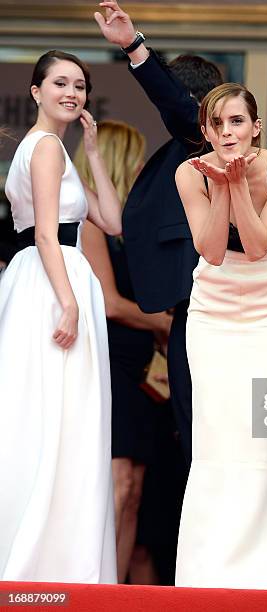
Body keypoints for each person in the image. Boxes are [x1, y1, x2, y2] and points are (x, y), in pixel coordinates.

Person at [174, 82, 267, 589]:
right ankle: (206, 574)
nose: (227, 132)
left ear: (256, 126)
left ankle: (261, 574)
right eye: (217, 124)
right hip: (213, 305)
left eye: (237, 122)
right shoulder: (188, 173)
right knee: (213, 433)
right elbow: (211, 251)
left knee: (258, 433)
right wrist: (221, 186)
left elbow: (256, 245)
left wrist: (234, 185)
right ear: (205, 130)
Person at [0, 50, 121, 582]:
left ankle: (50, 556)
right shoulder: (45, 146)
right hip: (52, 283)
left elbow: (113, 221)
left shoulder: (57, 150)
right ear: (36, 91)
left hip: (44, 279)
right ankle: (45, 562)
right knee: (56, 418)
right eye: (59, 83)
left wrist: (93, 150)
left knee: (51, 418)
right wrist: (69, 301)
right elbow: (48, 233)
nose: (71, 92)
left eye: (79, 85)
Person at [94, 0, 223, 465]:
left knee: (203, 441)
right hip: (191, 311)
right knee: (193, 439)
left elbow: (174, 103)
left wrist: (133, 45)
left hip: (209, 310)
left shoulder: (202, 137)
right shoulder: (182, 153)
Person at [74, 120, 172, 583]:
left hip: (139, 371)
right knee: (117, 484)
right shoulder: (88, 220)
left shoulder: (128, 226)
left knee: (133, 489)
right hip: (110, 365)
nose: (141, 169)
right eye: (137, 160)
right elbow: (110, 304)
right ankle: (97, 587)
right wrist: (169, 324)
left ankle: (114, 589)